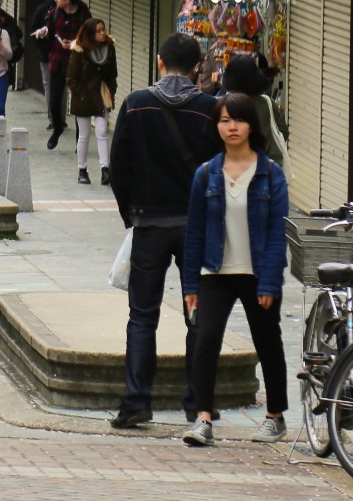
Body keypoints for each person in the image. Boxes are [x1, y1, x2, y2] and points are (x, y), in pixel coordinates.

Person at [109, 33, 226, 429]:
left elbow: (118, 165)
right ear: (198, 68)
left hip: (149, 224)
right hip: (196, 227)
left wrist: (132, 214)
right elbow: (222, 170)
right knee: (199, 317)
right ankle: (197, 404)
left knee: (142, 316)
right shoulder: (211, 109)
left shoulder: (136, 104)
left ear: (159, 62)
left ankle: (135, 402)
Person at [180, 92, 291, 447]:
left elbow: (277, 233)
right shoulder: (206, 174)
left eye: (238, 120)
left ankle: (275, 416)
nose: (232, 127)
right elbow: (194, 231)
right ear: (216, 126)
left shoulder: (271, 175)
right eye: (224, 120)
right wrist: (189, 285)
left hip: (257, 272)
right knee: (206, 339)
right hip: (216, 271)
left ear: (251, 126)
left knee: (267, 341)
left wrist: (270, 283)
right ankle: (203, 418)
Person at [31, 0, 90, 148]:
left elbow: (89, 38)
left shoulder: (83, 16)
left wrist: (73, 44)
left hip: (77, 61)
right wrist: (43, 32)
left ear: (68, 0)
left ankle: (81, 140)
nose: (54, 0)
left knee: (78, 102)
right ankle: (57, 129)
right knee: (54, 100)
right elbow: (50, 28)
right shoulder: (56, 12)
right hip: (58, 60)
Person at [65, 18, 118, 185]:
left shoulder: (109, 48)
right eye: (99, 31)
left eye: (103, 29)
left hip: (101, 94)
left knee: (102, 132)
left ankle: (105, 170)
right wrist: (82, 92)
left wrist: (111, 90)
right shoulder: (79, 51)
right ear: (90, 33)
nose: (103, 33)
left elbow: (112, 74)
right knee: (84, 134)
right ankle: (82, 169)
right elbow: (71, 78)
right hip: (83, 96)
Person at [220, 54, 286, 163]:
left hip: (234, 165)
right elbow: (283, 132)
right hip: (267, 165)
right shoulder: (267, 103)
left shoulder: (223, 105)